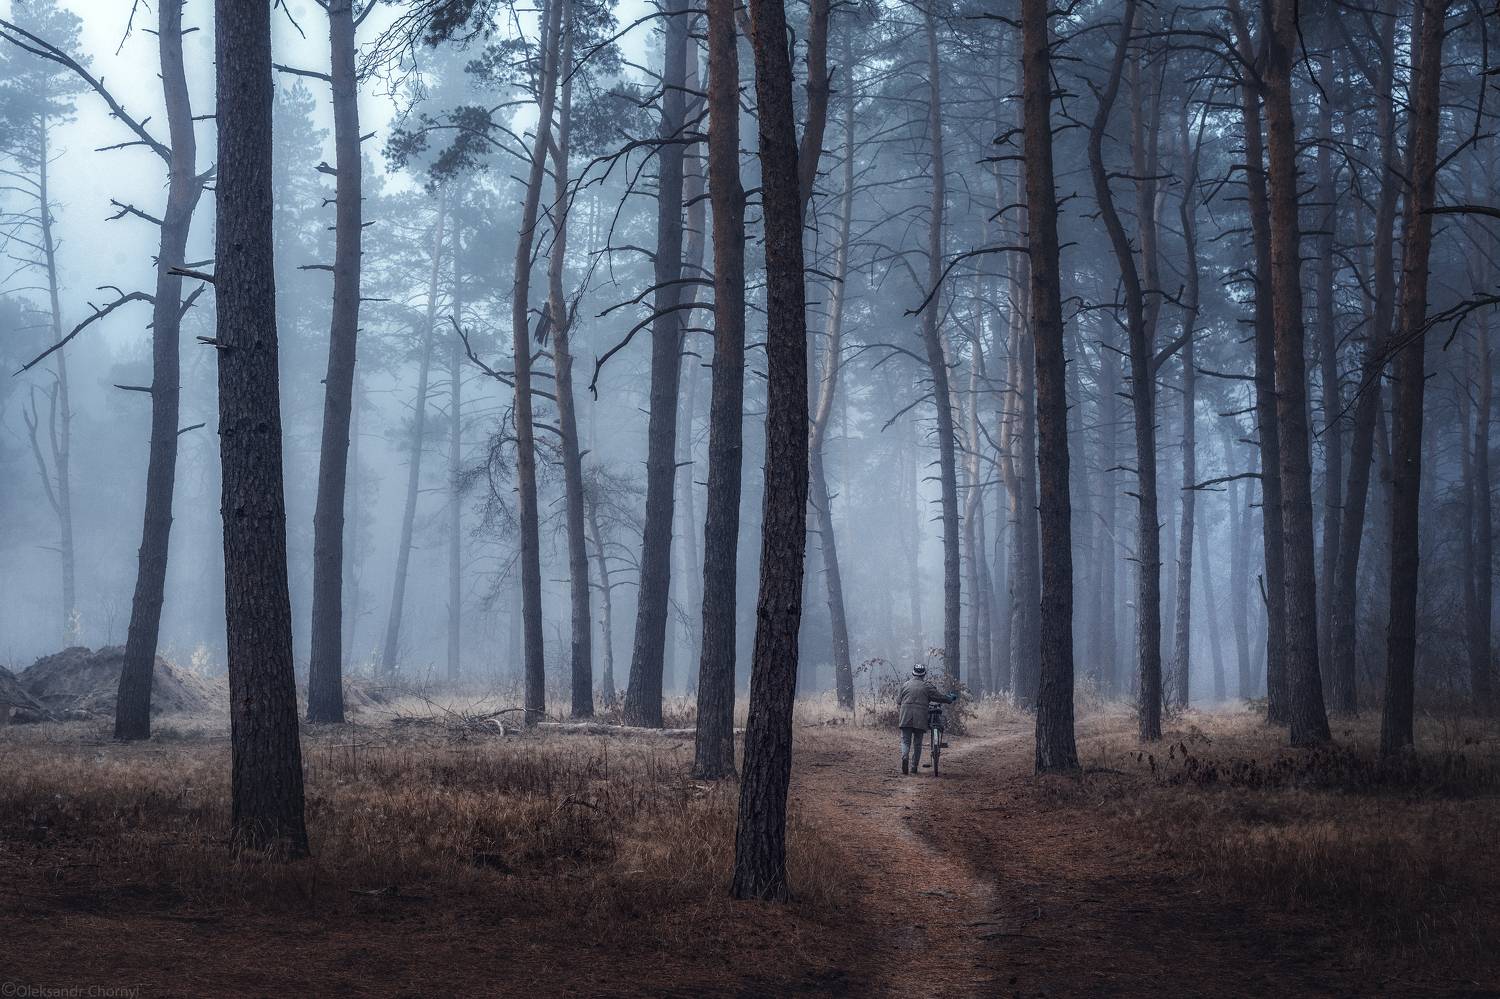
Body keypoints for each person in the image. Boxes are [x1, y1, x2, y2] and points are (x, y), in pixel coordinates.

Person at [897, 663, 957, 775]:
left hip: (905, 715)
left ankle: (905, 756)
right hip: (920, 717)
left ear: (913, 673)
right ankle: (914, 767)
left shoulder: (905, 685)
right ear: (924, 674)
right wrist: (949, 699)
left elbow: (898, 701)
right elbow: (939, 697)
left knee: (905, 740)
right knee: (917, 743)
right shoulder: (927, 686)